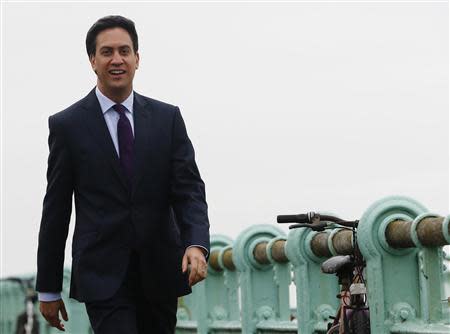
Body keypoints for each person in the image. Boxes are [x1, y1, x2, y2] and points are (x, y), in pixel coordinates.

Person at [35, 15, 210, 334]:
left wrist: (196, 244)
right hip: (102, 276)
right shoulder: (67, 126)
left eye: (124, 51)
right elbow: (56, 210)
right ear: (92, 60)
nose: (117, 59)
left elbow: (188, 191)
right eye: (107, 52)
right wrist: (48, 287)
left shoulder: (166, 119)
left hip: (160, 270)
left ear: (137, 59)